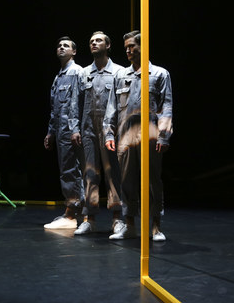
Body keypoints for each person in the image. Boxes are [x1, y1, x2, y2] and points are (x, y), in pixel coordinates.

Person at [104, 31, 173, 241]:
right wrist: (109, 133)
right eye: (126, 47)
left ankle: (155, 226)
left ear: (143, 46)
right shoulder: (120, 76)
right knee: (126, 180)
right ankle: (130, 224)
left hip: (150, 134)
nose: (128, 50)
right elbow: (111, 107)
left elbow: (166, 106)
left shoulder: (160, 74)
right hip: (125, 135)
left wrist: (163, 135)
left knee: (152, 180)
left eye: (132, 46)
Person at [69, 31, 124, 236]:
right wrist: (75, 128)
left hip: (110, 130)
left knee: (113, 173)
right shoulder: (84, 73)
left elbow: (122, 104)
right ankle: (89, 219)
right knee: (90, 174)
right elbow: (75, 102)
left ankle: (117, 218)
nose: (94, 43)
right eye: (91, 41)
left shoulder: (119, 72)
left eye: (98, 40)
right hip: (88, 129)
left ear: (108, 45)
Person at [44, 36, 85, 229]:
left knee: (72, 171)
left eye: (66, 46)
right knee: (66, 170)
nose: (61, 47)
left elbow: (78, 104)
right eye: (59, 45)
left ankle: (73, 213)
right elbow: (55, 108)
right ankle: (73, 211)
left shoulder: (77, 72)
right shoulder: (58, 76)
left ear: (74, 51)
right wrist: (50, 132)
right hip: (61, 130)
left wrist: (75, 129)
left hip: (72, 130)